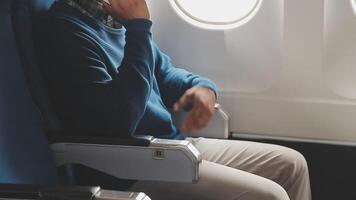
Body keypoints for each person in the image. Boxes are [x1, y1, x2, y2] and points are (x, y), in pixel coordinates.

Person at [37, 0, 312, 199]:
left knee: (292, 164)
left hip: (170, 147)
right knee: (270, 196)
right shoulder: (66, 32)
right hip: (130, 163)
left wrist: (203, 88)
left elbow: (164, 74)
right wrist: (138, 28)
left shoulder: (111, 18)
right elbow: (119, 119)